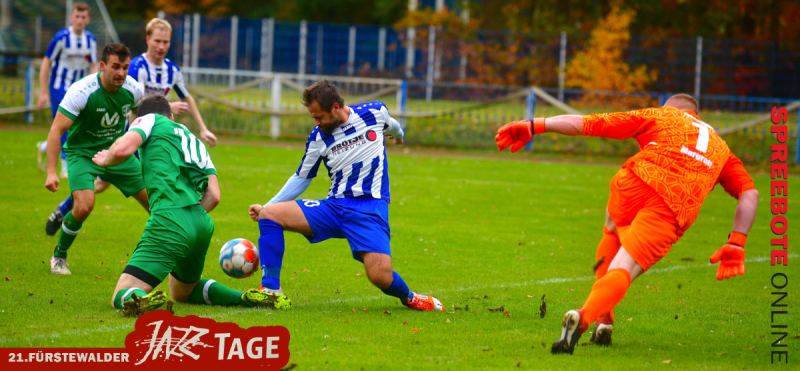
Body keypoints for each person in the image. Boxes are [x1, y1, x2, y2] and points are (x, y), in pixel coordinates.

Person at [495, 94, 758, 354]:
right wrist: (737, 242)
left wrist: (534, 125)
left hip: (633, 182)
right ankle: (584, 316)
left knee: (612, 227)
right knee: (625, 267)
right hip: (674, 203)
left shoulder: (660, 114)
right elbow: (750, 194)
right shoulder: (722, 150)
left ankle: (604, 320)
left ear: (670, 107)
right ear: (697, 115)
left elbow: (589, 123)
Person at [247, 80, 444, 312]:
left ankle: (410, 297)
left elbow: (391, 125)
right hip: (333, 207)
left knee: (380, 276)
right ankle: (271, 290)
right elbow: (302, 177)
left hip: (369, 209)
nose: (316, 122)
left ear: (335, 107)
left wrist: (399, 135)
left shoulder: (374, 112)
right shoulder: (318, 137)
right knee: (271, 214)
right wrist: (266, 206)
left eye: (319, 116)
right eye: (313, 117)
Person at [92, 95, 285, 316]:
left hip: (169, 220)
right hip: (201, 223)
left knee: (121, 292)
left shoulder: (149, 120)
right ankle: (243, 298)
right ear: (172, 116)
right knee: (183, 292)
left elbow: (122, 150)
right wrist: (189, 220)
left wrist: (106, 159)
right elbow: (214, 196)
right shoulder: (194, 140)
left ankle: (140, 299)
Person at [45, 17, 218, 236]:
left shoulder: (166, 72)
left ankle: (166, 246)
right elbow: (58, 129)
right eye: (157, 41)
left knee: (148, 198)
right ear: (148, 40)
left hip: (137, 141)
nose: (161, 46)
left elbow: (166, 103)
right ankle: (64, 221)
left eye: (166, 42)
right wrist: (52, 171)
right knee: (91, 197)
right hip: (106, 145)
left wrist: (202, 128)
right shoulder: (130, 70)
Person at [44, 43, 150, 276]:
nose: (121, 73)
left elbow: (137, 118)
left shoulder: (133, 89)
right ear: (102, 66)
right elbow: (56, 130)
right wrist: (52, 172)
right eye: (115, 67)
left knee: (155, 203)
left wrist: (133, 148)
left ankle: (164, 257)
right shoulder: (82, 91)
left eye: (125, 67)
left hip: (115, 152)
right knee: (84, 206)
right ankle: (59, 256)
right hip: (82, 153)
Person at [36, 2, 98, 179]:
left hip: (78, 87)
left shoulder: (91, 39)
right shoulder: (61, 37)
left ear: (88, 19)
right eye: (76, 17)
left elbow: (93, 65)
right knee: (65, 125)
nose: (79, 20)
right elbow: (46, 62)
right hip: (58, 86)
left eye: (83, 17)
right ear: (71, 18)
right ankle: (64, 166)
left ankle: (46, 146)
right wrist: (43, 93)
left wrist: (96, 88)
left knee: (74, 124)